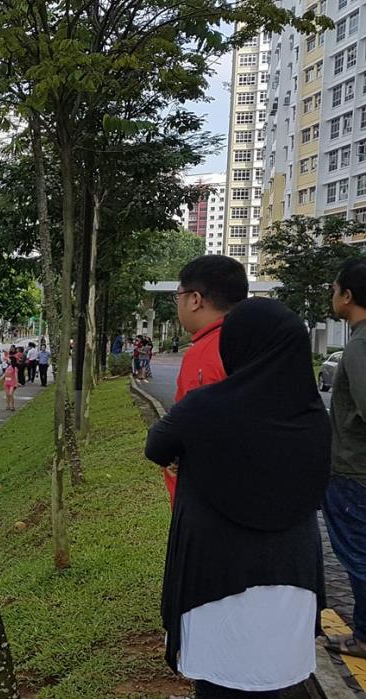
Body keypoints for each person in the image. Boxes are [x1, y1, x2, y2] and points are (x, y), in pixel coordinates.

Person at [144, 298, 328, 695]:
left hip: (216, 580)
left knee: (218, 685)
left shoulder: (203, 409)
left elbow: (157, 446)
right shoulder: (314, 418)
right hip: (291, 578)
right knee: (274, 684)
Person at [164, 255, 249, 507]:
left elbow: (198, 432)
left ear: (194, 299)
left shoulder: (205, 352)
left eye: (177, 296)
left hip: (208, 505)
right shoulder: (256, 341)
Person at [322, 258, 366, 660]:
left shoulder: (359, 346)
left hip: (354, 474)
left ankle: (364, 637)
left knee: (359, 557)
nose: (332, 295)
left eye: (335, 289)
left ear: (348, 296)